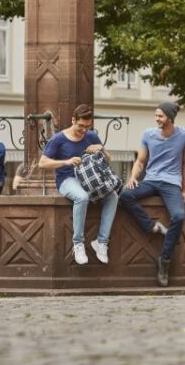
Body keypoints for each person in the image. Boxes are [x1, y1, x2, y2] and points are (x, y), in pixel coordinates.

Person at [120, 102, 185, 287]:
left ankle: (164, 260)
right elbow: (140, 161)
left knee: (178, 216)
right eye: (156, 116)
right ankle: (152, 226)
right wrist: (132, 178)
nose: (157, 119)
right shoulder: (148, 134)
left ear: (169, 117)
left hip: (171, 183)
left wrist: (184, 190)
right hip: (151, 180)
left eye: (160, 116)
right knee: (125, 195)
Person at [39, 104, 118, 265]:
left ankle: (101, 242)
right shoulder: (58, 139)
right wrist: (66, 161)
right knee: (82, 197)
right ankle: (78, 243)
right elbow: (42, 163)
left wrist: (101, 149)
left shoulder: (91, 136)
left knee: (113, 196)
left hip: (90, 179)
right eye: (81, 126)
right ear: (73, 120)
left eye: (87, 127)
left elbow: (109, 160)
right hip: (67, 180)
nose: (84, 130)